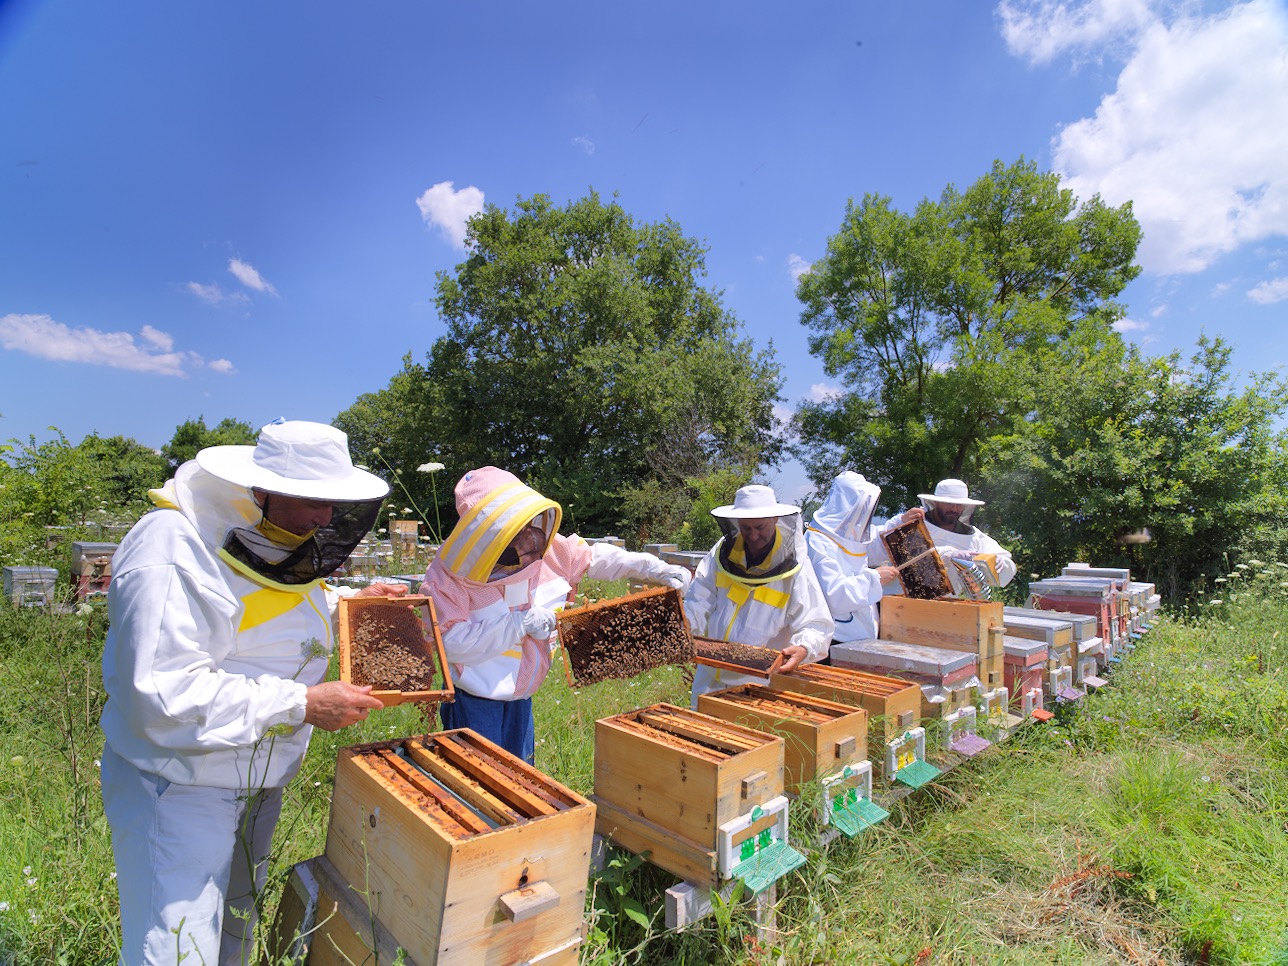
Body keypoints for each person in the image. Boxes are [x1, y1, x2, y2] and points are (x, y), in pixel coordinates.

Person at [100, 419, 406, 966]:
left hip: (256, 779)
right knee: (173, 947)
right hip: (181, 785)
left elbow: (270, 602)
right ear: (261, 490)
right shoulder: (172, 548)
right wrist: (302, 704)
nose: (327, 518)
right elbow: (162, 692)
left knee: (232, 932)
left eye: (336, 504)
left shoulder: (268, 536)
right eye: (314, 500)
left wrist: (349, 601)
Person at [420, 466, 692, 762]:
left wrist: (653, 568)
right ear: (482, 529)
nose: (523, 541)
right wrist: (519, 624)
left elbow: (595, 557)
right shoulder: (449, 573)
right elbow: (450, 643)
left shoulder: (546, 548)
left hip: (522, 697)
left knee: (520, 779)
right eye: (507, 525)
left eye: (521, 523)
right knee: (474, 784)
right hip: (474, 701)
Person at [685, 483, 833, 704]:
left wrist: (805, 647)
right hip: (709, 677)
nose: (753, 536)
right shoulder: (722, 553)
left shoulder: (795, 565)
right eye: (746, 528)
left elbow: (815, 622)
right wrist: (684, 626)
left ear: (774, 519)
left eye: (760, 527)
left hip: (759, 686)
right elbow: (698, 600)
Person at [805, 471, 900, 645]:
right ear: (847, 505)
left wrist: (899, 523)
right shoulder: (817, 540)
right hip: (833, 637)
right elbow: (834, 596)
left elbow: (875, 542)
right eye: (862, 507)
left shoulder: (850, 535)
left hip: (859, 634)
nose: (865, 512)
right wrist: (876, 578)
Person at [878, 477, 1017, 592]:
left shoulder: (973, 536)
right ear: (936, 502)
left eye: (959, 505)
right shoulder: (913, 523)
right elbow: (910, 555)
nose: (954, 509)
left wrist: (999, 562)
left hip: (945, 605)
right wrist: (951, 555)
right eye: (949, 504)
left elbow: (1004, 565)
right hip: (898, 599)